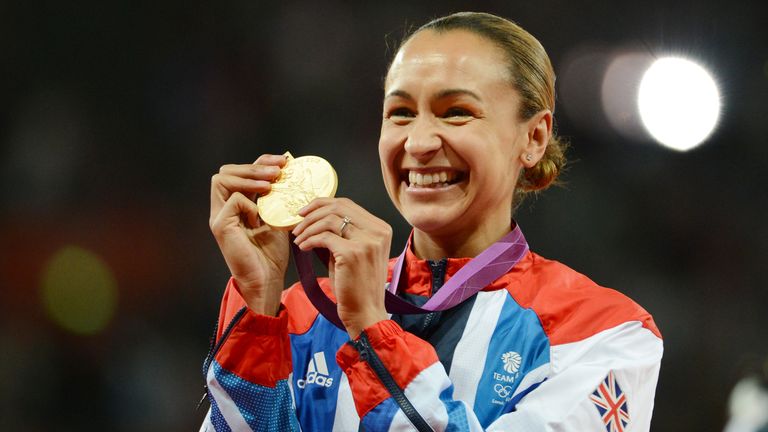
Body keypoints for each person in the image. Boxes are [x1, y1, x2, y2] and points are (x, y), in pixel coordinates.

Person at [201, 11, 663, 431]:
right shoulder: (299, 316)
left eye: (457, 112)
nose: (419, 142)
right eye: (400, 113)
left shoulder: (604, 333)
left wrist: (373, 332)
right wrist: (256, 308)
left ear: (534, 137)